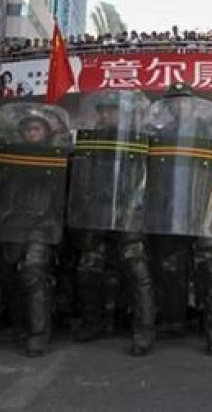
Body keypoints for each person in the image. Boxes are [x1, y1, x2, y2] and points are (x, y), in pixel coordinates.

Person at [66, 90, 154, 356]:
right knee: (87, 269)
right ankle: (94, 322)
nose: (105, 115)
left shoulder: (141, 138)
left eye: (111, 111)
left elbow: (148, 177)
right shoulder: (91, 139)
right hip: (98, 213)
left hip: (129, 213)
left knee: (136, 270)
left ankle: (144, 331)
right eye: (102, 111)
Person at [144, 82, 212, 355]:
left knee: (210, 271)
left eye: (184, 101)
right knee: (172, 270)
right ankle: (175, 321)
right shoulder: (160, 132)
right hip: (171, 210)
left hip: (204, 207)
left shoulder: (210, 129)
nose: (180, 105)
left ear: (192, 104)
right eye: (174, 102)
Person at [0, 103, 71, 357]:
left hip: (44, 224)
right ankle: (20, 325)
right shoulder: (10, 154)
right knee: (12, 275)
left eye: (36, 129)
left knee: (33, 273)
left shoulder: (58, 154)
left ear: (46, 131)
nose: (31, 134)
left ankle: (39, 333)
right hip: (13, 222)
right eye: (27, 130)